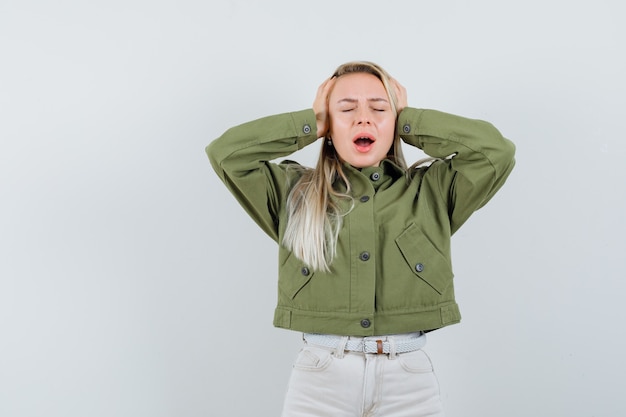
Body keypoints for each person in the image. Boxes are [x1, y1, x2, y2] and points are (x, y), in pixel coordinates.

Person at [206, 61, 515, 417]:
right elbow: (225, 154)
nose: (363, 119)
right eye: (347, 109)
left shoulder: (433, 190)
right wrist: (312, 123)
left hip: (409, 381)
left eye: (380, 109)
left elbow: (497, 152)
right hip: (319, 380)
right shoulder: (293, 192)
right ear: (328, 126)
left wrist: (410, 120)